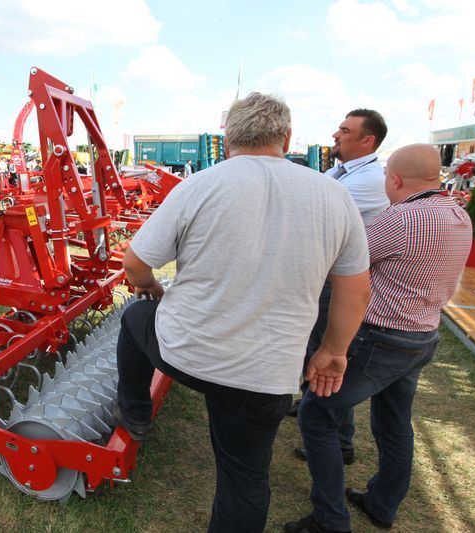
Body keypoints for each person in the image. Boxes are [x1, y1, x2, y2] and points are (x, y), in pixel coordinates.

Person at [114, 92, 371, 533]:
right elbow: (354, 288)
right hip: (265, 373)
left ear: (228, 140)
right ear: (287, 138)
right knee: (244, 478)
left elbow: (136, 264)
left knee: (135, 319)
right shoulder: (332, 194)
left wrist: (153, 289)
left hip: (187, 354)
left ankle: (135, 411)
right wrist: (333, 350)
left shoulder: (200, 184)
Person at [286, 144, 472, 533]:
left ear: (395, 179)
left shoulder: (403, 218)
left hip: (382, 338)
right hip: (421, 336)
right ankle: (382, 504)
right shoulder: (457, 213)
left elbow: (346, 262)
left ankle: (329, 519)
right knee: (394, 422)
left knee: (317, 413)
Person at [292, 109, 390, 465]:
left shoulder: (368, 180)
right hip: (325, 278)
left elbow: (309, 207)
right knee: (315, 349)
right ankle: (312, 405)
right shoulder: (343, 171)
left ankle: (339, 440)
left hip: (337, 282)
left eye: (345, 130)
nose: (336, 135)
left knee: (329, 355)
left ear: (368, 140)